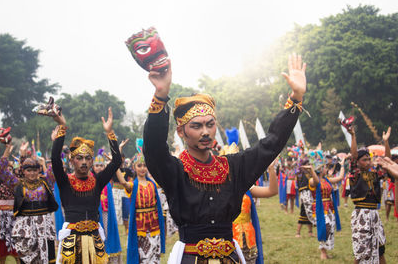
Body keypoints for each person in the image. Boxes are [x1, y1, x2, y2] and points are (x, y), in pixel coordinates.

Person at [143, 54, 306, 263]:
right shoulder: (174, 171)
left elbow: (271, 143)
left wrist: (296, 98)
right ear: (181, 132)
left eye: (210, 124)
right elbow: (154, 148)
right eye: (196, 125)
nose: (205, 132)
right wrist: (161, 95)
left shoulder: (234, 167)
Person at [51, 107, 122, 263]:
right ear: (71, 160)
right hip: (72, 240)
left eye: (88, 158)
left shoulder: (97, 181)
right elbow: (55, 159)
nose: (84, 162)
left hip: (94, 238)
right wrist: (62, 127)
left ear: (92, 161)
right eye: (79, 158)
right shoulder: (65, 181)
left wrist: (110, 133)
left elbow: (116, 161)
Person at [0, 142, 57, 264]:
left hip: (44, 225)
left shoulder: (45, 182)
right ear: (23, 171)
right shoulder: (18, 184)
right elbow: (1, 171)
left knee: (46, 258)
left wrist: (54, 142)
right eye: (29, 170)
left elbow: (54, 168)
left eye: (35, 170)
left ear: (39, 170)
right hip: (26, 227)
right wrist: (7, 150)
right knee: (26, 259)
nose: (32, 173)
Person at [116, 150, 165, 264]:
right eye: (139, 166)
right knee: (142, 255)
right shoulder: (133, 185)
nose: (142, 168)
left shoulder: (152, 184)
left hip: (154, 224)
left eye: (144, 166)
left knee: (154, 254)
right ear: (134, 167)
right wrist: (115, 166)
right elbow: (123, 182)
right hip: (139, 226)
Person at [348, 126, 386, 264]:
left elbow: (386, 161)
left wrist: (386, 142)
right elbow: (353, 156)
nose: (368, 162)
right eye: (364, 159)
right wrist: (353, 136)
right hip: (361, 215)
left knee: (380, 249)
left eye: (369, 159)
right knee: (361, 252)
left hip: (374, 214)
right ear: (358, 162)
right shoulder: (355, 174)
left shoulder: (375, 174)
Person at [306, 158, 345, 260]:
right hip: (319, 208)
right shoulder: (312, 180)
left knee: (331, 228)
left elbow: (340, 178)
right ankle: (322, 251)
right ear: (319, 169)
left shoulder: (327, 179)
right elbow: (316, 181)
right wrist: (312, 170)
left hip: (329, 207)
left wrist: (342, 165)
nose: (326, 169)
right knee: (325, 227)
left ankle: (326, 251)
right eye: (324, 167)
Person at [295, 158, 315, 238]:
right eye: (307, 164)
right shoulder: (301, 174)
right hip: (305, 195)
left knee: (307, 213)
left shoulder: (308, 173)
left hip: (309, 194)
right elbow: (302, 186)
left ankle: (310, 232)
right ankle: (298, 233)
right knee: (305, 212)